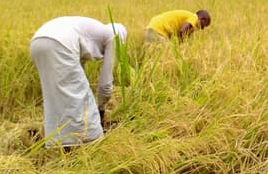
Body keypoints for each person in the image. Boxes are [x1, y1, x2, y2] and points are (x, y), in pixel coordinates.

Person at [29, 16, 127, 147]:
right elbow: (105, 84)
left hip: (37, 41)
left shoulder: (96, 31)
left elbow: (79, 70)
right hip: (60, 43)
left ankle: (58, 142)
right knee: (82, 101)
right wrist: (101, 109)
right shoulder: (115, 37)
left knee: (54, 97)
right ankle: (91, 143)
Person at [144, 9, 211, 43]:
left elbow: (184, 36)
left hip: (149, 30)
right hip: (158, 32)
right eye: (202, 26)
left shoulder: (188, 20)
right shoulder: (194, 17)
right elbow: (182, 31)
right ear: (202, 19)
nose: (201, 29)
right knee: (166, 56)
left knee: (151, 59)